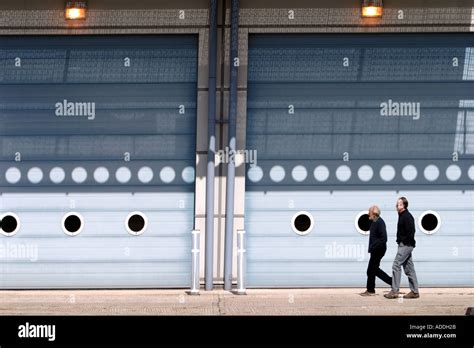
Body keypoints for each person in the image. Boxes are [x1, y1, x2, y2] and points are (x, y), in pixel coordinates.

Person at [384, 197, 420, 299]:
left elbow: (411, 232)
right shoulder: (401, 215)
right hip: (405, 245)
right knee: (409, 269)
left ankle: (394, 291)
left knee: (396, 265)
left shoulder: (407, 216)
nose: (397, 206)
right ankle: (415, 292)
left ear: (404, 205)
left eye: (399, 204)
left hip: (406, 245)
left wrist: (404, 243)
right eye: (397, 204)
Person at [360, 205, 392, 296]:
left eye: (369, 211)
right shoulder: (374, 222)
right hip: (375, 250)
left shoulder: (380, 222)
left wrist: (374, 246)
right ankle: (392, 282)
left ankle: (370, 291)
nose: (367, 213)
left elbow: (384, 238)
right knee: (374, 270)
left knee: (370, 270)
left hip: (378, 250)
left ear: (374, 213)